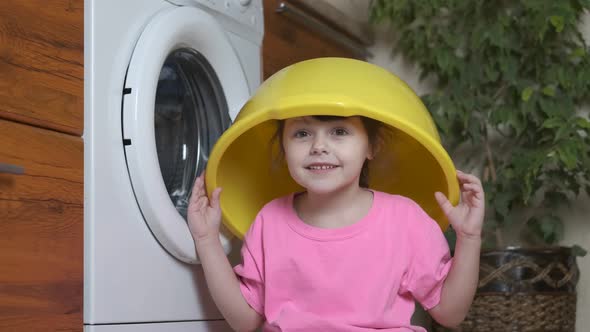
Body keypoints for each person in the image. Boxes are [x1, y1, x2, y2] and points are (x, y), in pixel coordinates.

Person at [188, 114, 485, 332]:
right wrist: (206, 241)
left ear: (371, 146)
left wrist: (469, 238)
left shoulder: (404, 219)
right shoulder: (269, 220)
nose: (318, 146)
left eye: (339, 131)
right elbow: (245, 320)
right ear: (283, 145)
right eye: (302, 134)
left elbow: (449, 313)